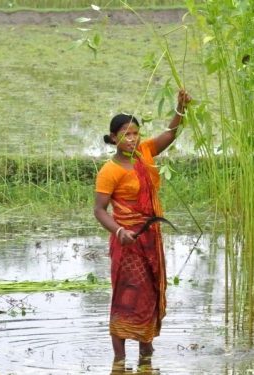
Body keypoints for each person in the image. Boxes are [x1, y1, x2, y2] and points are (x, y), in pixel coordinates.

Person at [94, 89, 191, 362]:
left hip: (151, 239)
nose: (132, 139)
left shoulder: (146, 151)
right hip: (127, 242)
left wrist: (180, 108)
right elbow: (99, 210)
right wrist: (119, 231)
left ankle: (146, 355)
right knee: (126, 296)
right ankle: (119, 359)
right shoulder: (110, 171)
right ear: (114, 138)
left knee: (148, 293)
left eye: (135, 133)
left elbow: (171, 134)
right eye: (126, 134)